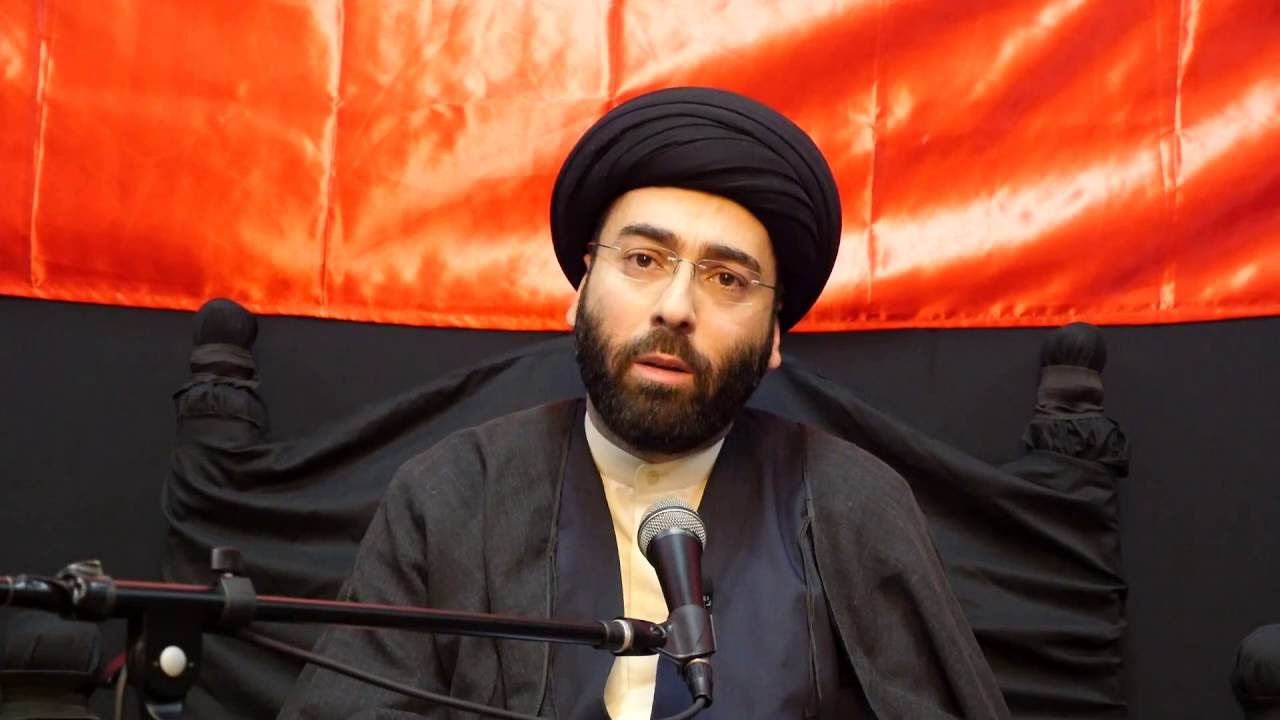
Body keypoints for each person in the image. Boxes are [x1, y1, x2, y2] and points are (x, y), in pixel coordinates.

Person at [279, 87, 1010, 719]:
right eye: (643, 260)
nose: (676, 307)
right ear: (581, 290)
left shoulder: (853, 504)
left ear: (774, 335)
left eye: (727, 279)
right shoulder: (456, 493)